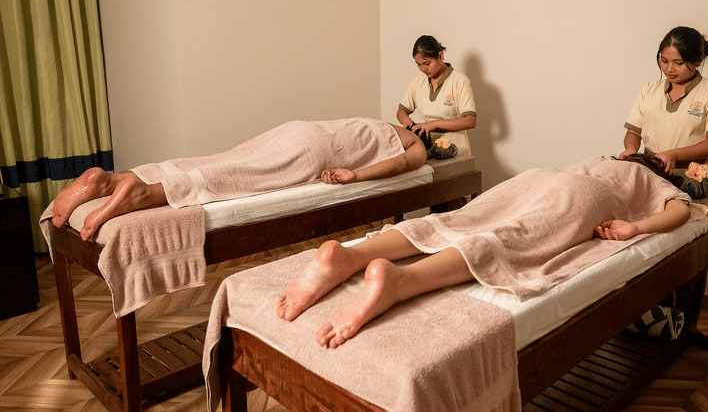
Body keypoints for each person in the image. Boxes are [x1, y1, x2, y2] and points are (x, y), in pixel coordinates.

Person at [276, 153, 701, 349]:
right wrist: (635, 226)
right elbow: (682, 210)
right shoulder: (646, 177)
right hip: (582, 197)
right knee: (509, 239)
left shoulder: (603, 159)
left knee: (463, 219)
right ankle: (400, 281)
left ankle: (348, 256)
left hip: (541, 175)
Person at [50, 118, 427, 241]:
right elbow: (398, 167)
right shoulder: (414, 143)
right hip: (316, 155)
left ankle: (116, 179)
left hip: (301, 129)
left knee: (222, 161)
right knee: (233, 177)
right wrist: (354, 175)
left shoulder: (378, 122)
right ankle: (143, 193)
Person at [619, 26, 708, 199]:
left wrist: (673, 154)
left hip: (693, 175)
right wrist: (630, 149)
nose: (669, 69)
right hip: (651, 172)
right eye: (664, 61)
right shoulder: (648, 91)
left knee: (678, 204)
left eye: (679, 63)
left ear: (699, 60)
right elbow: (633, 132)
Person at [396, 35, 477, 159]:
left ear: (440, 56)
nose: (423, 69)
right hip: (426, 147)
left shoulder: (460, 81)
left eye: (427, 63)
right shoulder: (418, 82)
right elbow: (402, 111)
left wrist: (433, 124)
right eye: (418, 64)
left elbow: (470, 121)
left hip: (455, 149)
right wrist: (408, 122)